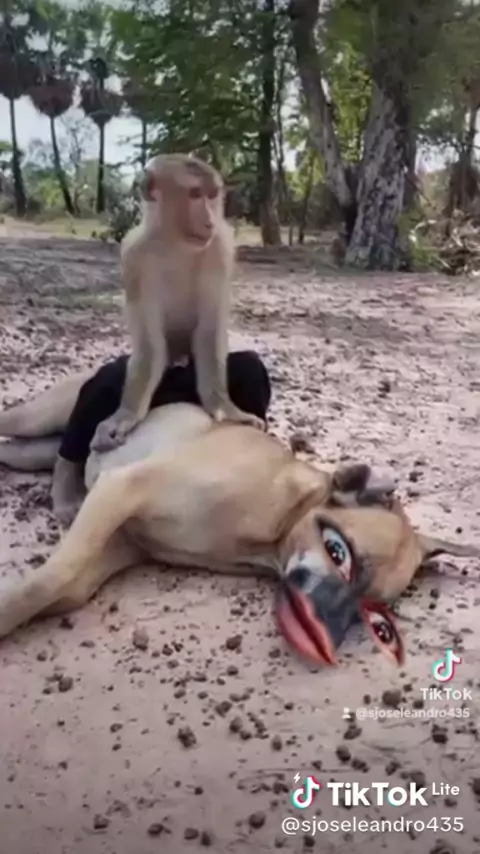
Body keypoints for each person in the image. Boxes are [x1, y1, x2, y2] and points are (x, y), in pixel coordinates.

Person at [58, 350, 272, 470]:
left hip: (195, 374)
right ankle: (66, 465)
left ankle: (249, 440)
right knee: (109, 380)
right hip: (152, 375)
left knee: (249, 367)